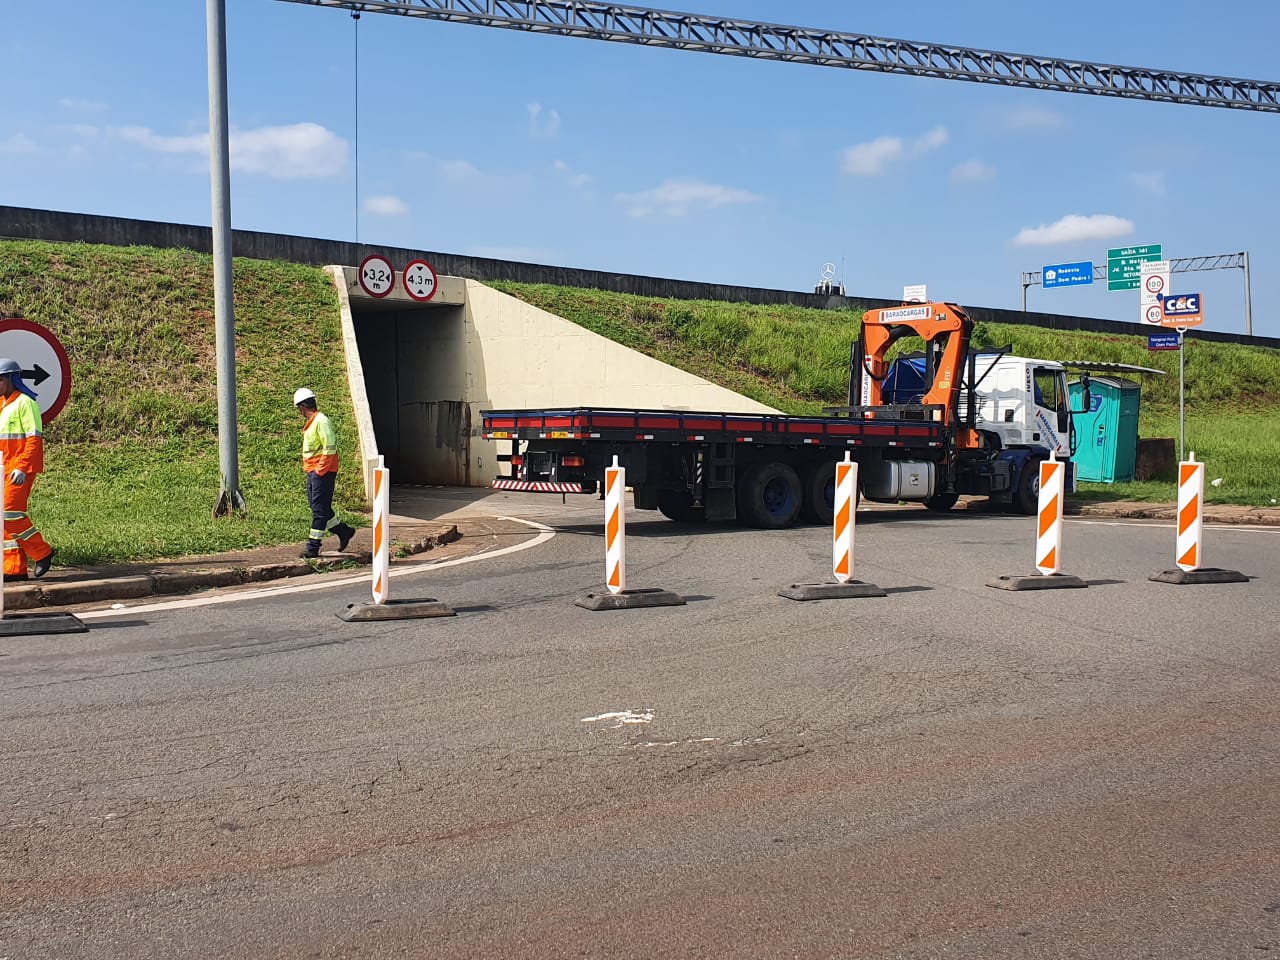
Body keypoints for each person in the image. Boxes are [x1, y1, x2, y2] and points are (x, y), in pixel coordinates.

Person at [0, 358, 54, 580]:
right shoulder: (2, 404)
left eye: (1, 380)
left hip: (19, 468)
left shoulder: (26, 403)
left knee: (10, 512)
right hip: (3, 467)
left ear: (12, 379)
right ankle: (13, 569)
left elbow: (34, 440)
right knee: (2, 518)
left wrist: (22, 467)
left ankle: (43, 552)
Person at [293, 387, 356, 559]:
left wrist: (320, 471)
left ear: (302, 407)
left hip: (322, 472)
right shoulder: (314, 422)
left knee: (319, 511)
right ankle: (344, 531)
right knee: (319, 507)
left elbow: (330, 448)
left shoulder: (321, 421)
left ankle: (313, 547)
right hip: (314, 471)